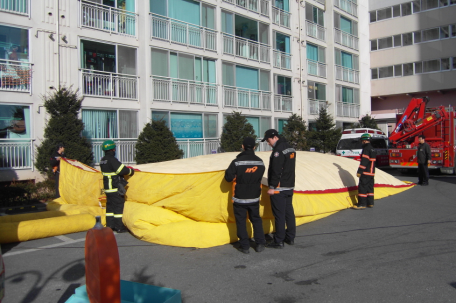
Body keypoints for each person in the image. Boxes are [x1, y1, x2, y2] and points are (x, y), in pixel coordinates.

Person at [224, 137, 266, 254]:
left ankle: (245, 246)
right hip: (254, 197)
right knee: (256, 220)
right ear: (254, 147)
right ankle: (260, 243)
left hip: (239, 198)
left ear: (242, 146)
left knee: (241, 221)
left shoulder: (236, 162)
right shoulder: (260, 162)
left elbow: (228, 178)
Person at [261, 129, 296, 249]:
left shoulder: (278, 151)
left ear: (274, 137)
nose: (268, 143)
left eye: (268, 140)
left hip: (279, 188)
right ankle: (290, 237)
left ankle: (278, 241)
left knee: (279, 215)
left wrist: (272, 187)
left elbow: (276, 170)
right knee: (289, 213)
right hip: (289, 185)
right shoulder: (290, 148)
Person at [100, 140, 134, 233]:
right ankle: (119, 227)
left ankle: (110, 226)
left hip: (108, 188)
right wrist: (131, 171)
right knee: (118, 207)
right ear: (112, 149)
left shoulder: (103, 160)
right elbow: (122, 170)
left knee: (110, 208)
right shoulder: (112, 160)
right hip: (115, 187)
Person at [353, 133, 376, 210]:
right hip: (372, 172)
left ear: (365, 141)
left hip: (365, 172)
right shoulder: (372, 148)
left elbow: (364, 161)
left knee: (362, 188)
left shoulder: (366, 149)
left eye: (362, 140)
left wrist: (360, 171)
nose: (362, 142)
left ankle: (362, 204)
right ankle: (370, 203)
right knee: (370, 188)